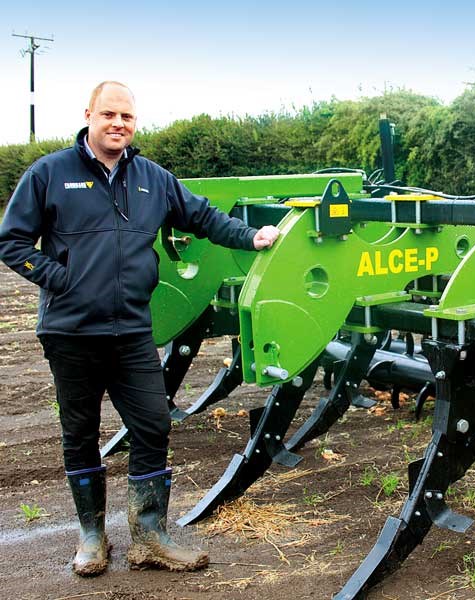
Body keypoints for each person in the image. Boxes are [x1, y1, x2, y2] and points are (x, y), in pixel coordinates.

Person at [0, 81, 281, 576]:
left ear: (134, 123)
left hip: (131, 330)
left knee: (152, 423)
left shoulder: (152, 178)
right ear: (89, 114)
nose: (118, 124)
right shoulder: (50, 173)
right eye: (109, 114)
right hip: (70, 331)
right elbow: (13, 243)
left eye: (127, 117)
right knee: (79, 431)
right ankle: (92, 537)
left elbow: (202, 217)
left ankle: (150, 535)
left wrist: (250, 235)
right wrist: (62, 280)